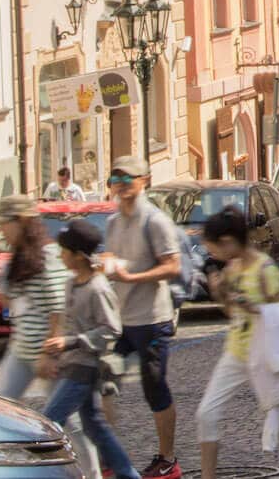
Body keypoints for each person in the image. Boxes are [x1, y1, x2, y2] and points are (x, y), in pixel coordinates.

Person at [0, 196, 100, 478]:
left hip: (47, 351)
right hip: (21, 348)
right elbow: (11, 301)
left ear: (22, 222)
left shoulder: (48, 255)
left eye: (6, 224)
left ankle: (91, 473)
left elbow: (57, 308)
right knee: (2, 409)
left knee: (67, 422)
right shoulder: (17, 257)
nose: (3, 230)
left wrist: (48, 352)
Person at [195, 207, 279, 479]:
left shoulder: (263, 268)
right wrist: (220, 293)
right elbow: (231, 313)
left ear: (228, 241)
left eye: (214, 247)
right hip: (236, 352)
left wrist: (255, 306)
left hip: (265, 355)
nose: (213, 254)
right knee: (206, 413)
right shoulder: (232, 269)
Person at [102, 156, 183, 479]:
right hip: (119, 320)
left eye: (127, 179)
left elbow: (172, 266)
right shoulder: (112, 223)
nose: (120, 186)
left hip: (152, 318)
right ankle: (110, 458)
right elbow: (114, 261)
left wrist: (131, 277)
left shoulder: (155, 221)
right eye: (115, 179)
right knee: (104, 383)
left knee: (155, 389)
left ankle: (168, 459)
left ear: (144, 180)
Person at [43, 220, 138, 479]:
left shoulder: (98, 288)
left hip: (86, 368)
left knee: (48, 424)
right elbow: (69, 323)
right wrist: (57, 351)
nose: (60, 256)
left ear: (78, 256)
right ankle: (129, 475)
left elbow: (112, 329)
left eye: (64, 251)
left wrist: (71, 342)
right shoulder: (71, 284)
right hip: (71, 363)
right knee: (95, 427)